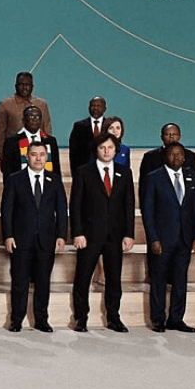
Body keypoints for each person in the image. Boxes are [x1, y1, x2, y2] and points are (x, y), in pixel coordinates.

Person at [68, 132, 136, 333]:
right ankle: (81, 318)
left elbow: (129, 205)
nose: (106, 151)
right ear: (96, 150)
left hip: (115, 236)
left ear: (116, 150)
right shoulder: (83, 172)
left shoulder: (125, 173)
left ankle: (114, 318)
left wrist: (129, 233)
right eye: (102, 148)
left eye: (110, 148)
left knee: (114, 279)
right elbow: (76, 205)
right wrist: (77, 232)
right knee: (83, 278)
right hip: (88, 236)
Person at [0, 142, 68, 333]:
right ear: (27, 157)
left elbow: (61, 210)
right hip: (21, 240)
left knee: (43, 282)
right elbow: (7, 211)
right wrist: (8, 235)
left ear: (46, 158)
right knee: (19, 282)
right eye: (34, 154)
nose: (38, 158)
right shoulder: (15, 179)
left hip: (46, 240)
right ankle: (16, 320)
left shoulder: (54, 180)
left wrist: (62, 235)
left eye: (42, 155)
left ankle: (41, 320)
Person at [142, 143, 195, 333]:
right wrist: (153, 238)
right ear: (165, 156)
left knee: (180, 280)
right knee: (159, 280)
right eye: (172, 154)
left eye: (179, 155)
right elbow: (148, 211)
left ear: (184, 157)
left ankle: (176, 318)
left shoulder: (192, 177)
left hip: (185, 239)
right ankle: (158, 319)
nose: (176, 158)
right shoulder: (154, 178)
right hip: (162, 239)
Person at [0, 105, 61, 176]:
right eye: (31, 117)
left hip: (47, 184)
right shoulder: (12, 142)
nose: (34, 119)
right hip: (21, 184)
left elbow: (56, 169)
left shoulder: (50, 141)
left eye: (38, 117)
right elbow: (8, 171)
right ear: (23, 120)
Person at [0, 71, 53, 140]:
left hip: (38, 148)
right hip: (13, 148)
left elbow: (47, 131)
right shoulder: (5, 105)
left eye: (27, 84)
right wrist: (4, 151)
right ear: (16, 86)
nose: (24, 87)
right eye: (21, 84)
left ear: (32, 86)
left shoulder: (42, 104)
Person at [138, 122, 195, 187]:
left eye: (174, 134)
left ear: (179, 136)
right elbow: (144, 182)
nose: (171, 137)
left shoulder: (190, 156)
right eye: (167, 134)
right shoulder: (150, 157)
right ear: (162, 137)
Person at [67, 96, 109, 172]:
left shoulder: (109, 125)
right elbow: (73, 153)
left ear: (104, 109)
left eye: (98, 106)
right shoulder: (79, 126)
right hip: (84, 171)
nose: (95, 108)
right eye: (93, 105)